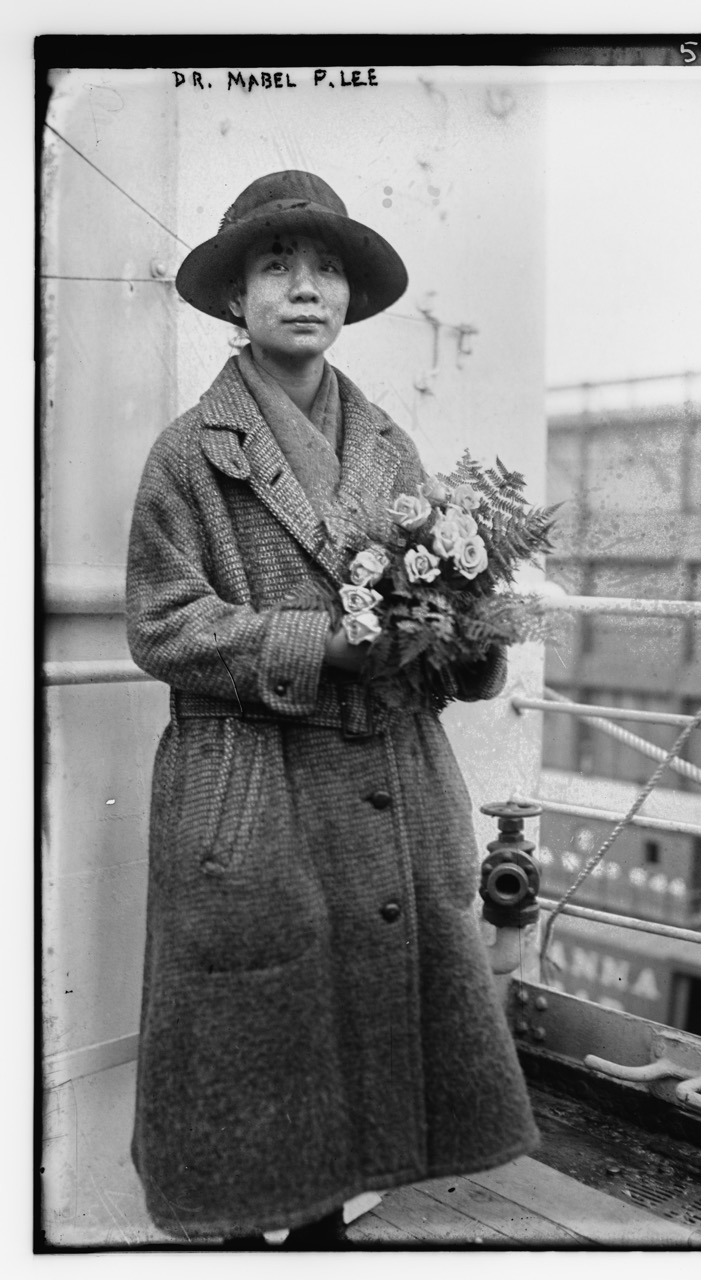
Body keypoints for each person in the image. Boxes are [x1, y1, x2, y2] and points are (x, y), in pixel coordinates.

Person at [126, 170, 540, 1247]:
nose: (303, 287)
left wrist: (468, 638)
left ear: (349, 297)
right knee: (257, 1070)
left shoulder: (390, 443)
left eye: (325, 268)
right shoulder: (188, 452)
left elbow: (432, 619)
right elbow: (162, 625)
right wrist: (323, 640)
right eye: (276, 266)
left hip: (387, 788)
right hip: (251, 786)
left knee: (357, 1102)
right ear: (236, 298)